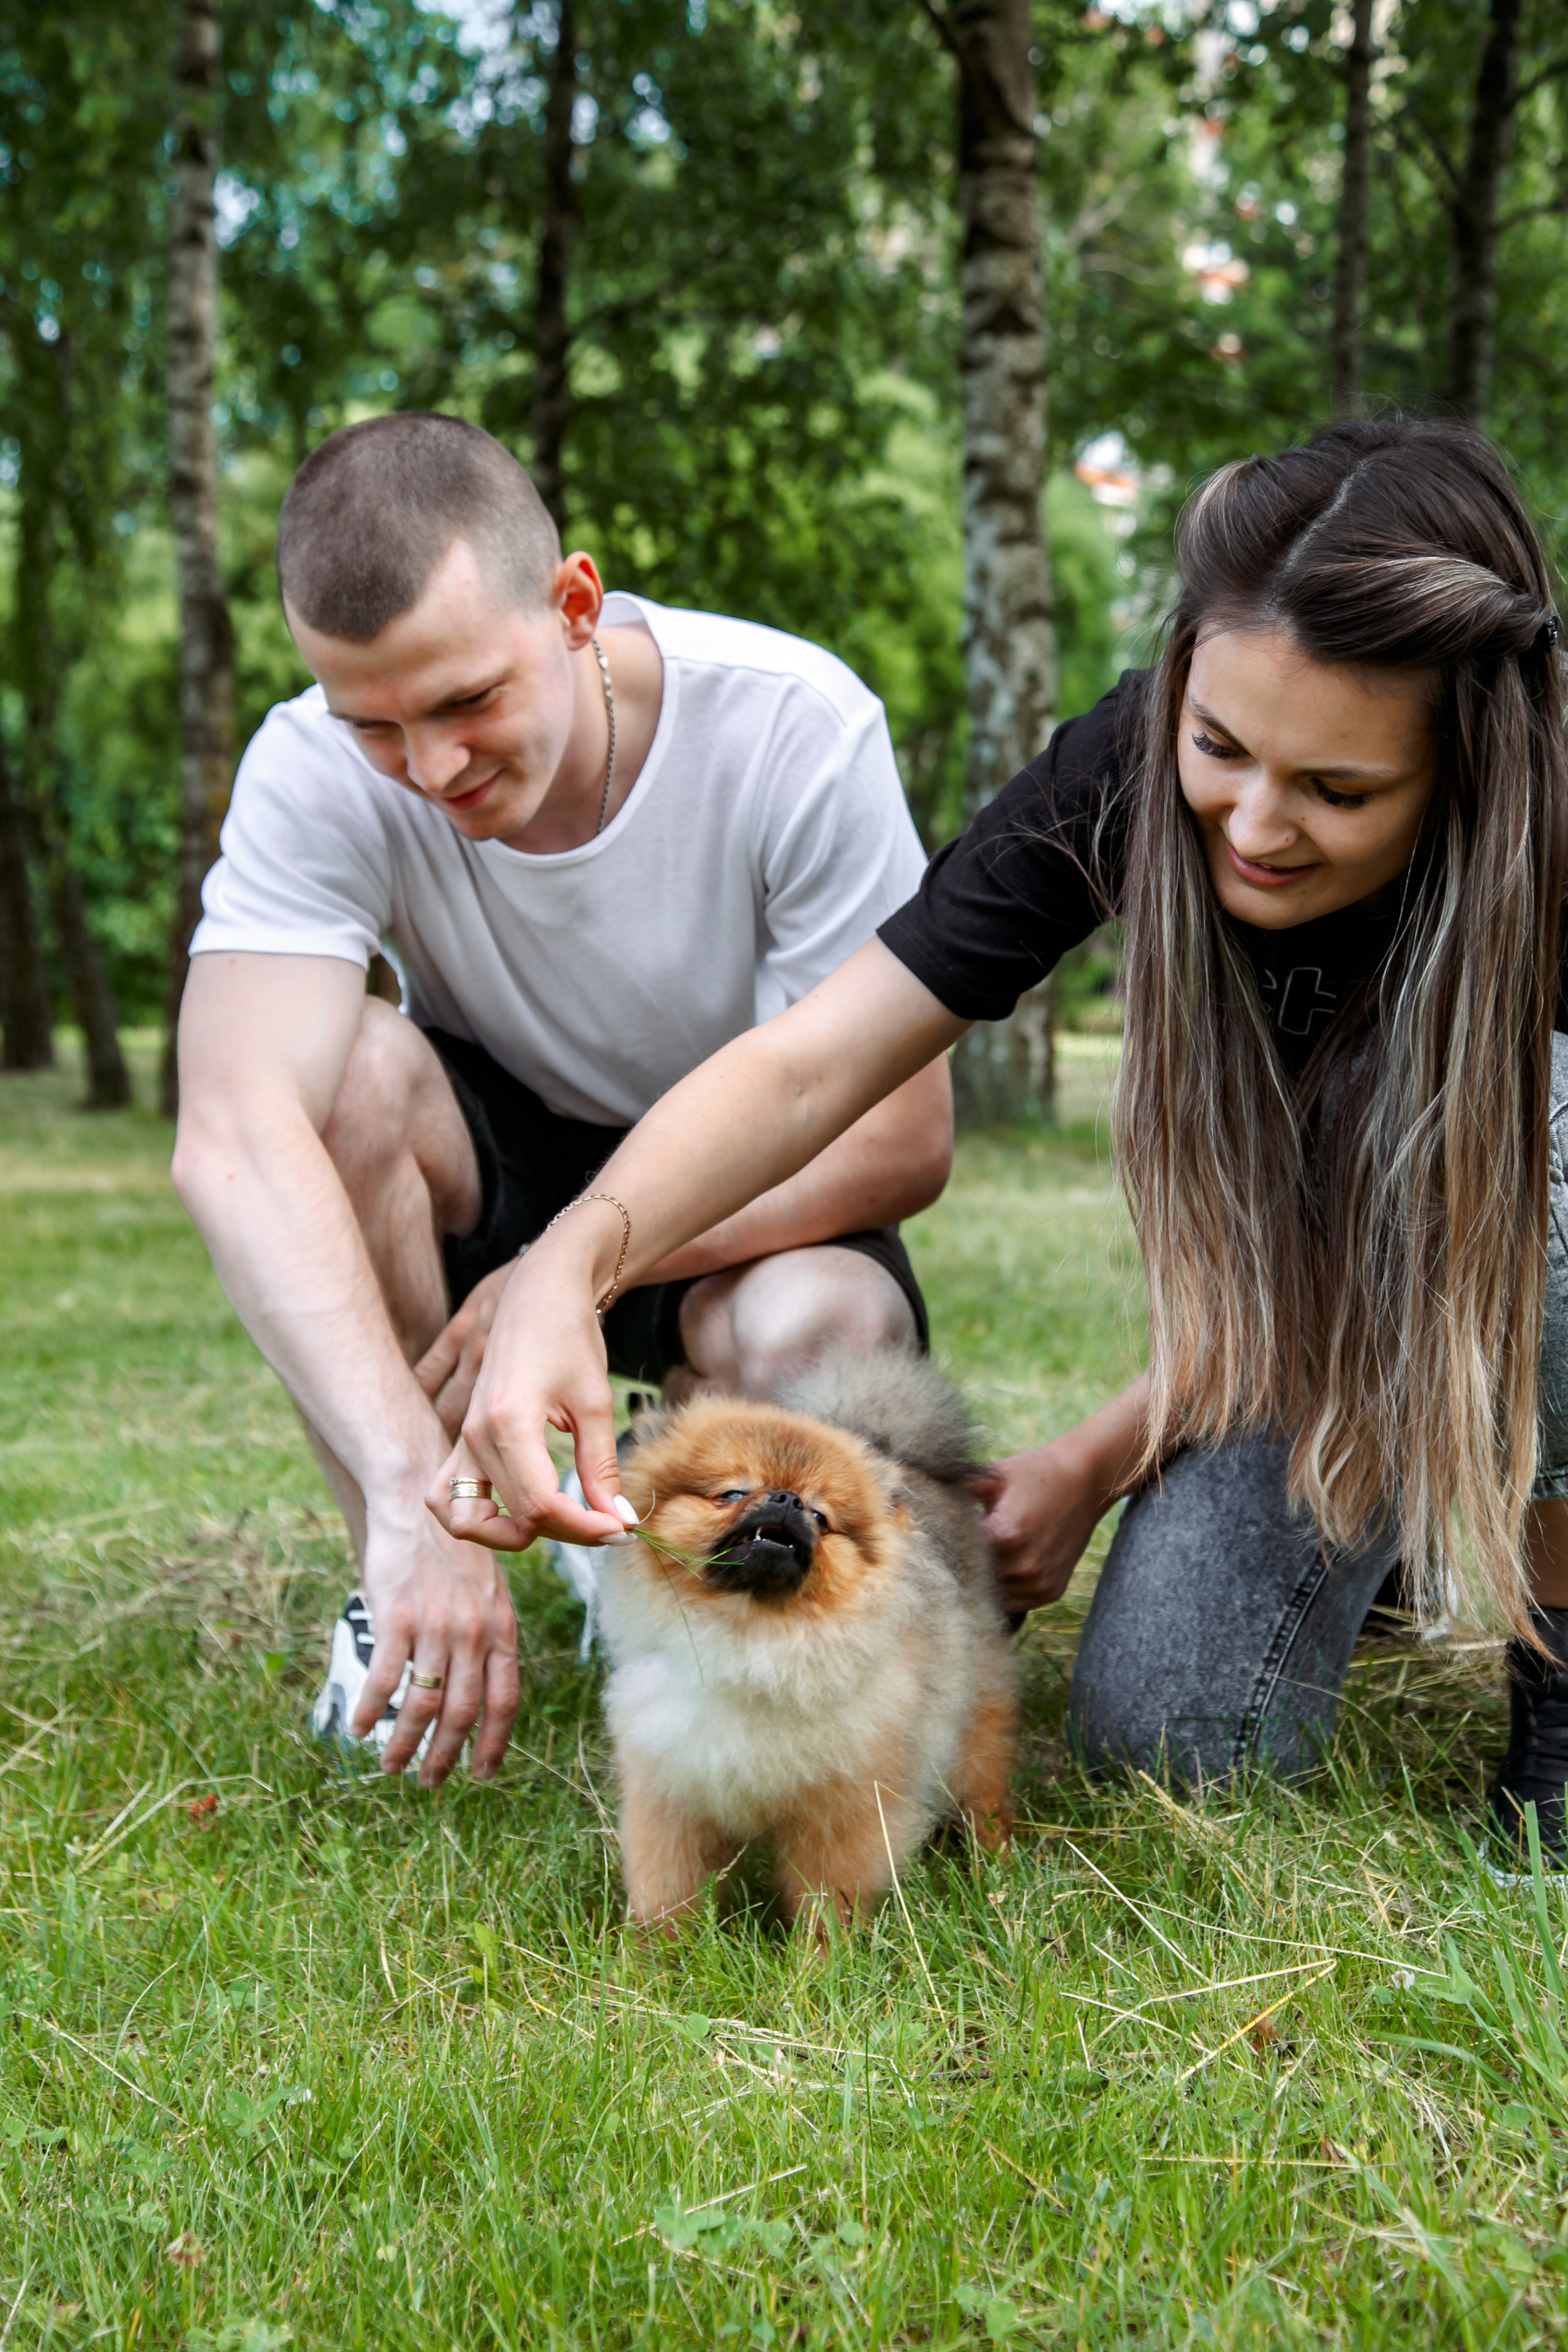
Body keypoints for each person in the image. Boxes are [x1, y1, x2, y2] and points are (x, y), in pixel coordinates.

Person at [432, 415, 1568, 1862]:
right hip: (1321, 1313)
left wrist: (1100, 1454)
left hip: (1501, 1251)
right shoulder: (1121, 773)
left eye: (1336, 791)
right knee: (1176, 1747)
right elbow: (808, 1066)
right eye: (1216, 746)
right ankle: (1394, 1481)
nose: (1252, 825)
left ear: (1466, 763)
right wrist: (568, 1261)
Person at [170, 412, 953, 1789]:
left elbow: (896, 1138)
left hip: (750, 1191)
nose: (430, 768)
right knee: (338, 1081)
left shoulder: (791, 723)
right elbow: (232, 1137)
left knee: (822, 1325)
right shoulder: (305, 768)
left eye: (468, 701)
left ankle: (661, 1573)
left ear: (575, 603)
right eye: (376, 724)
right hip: (501, 1150)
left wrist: (566, 1270)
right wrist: (416, 1501)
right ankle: (418, 1570)